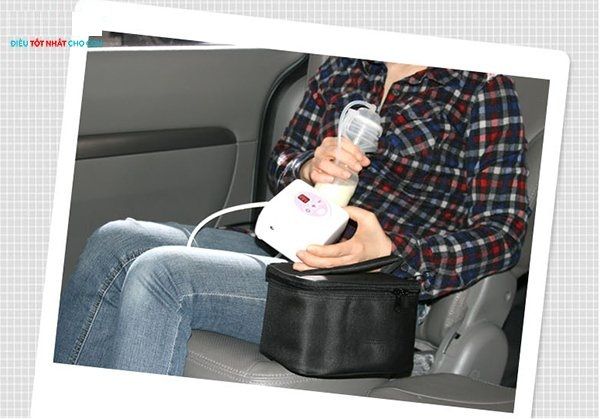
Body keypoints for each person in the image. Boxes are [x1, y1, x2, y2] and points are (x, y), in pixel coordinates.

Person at [53, 57, 530, 376]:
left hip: (377, 287)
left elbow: (504, 231)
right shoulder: (345, 66)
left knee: (162, 275)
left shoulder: (480, 87)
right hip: (284, 245)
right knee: (115, 240)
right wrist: (307, 167)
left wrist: (393, 252)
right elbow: (283, 158)